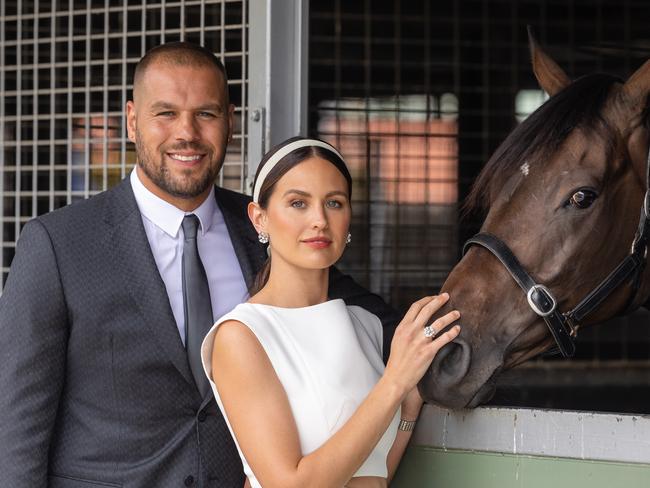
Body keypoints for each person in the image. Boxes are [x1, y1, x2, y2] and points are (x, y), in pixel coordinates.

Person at [0, 43, 400, 487]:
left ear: (230, 122)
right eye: (165, 113)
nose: (186, 133)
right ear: (133, 121)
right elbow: (18, 424)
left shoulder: (268, 227)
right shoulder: (58, 245)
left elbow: (371, 321)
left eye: (206, 114)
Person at [201, 137, 461, 488]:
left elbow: (374, 473)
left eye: (334, 203)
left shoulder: (365, 324)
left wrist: (409, 406)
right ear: (259, 218)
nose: (320, 220)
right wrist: (394, 383)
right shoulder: (242, 335)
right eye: (298, 203)